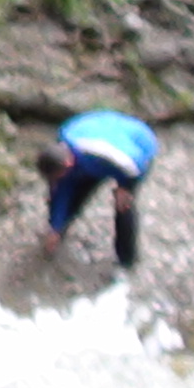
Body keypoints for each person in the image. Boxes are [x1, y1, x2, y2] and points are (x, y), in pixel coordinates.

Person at [36, 108, 158, 271]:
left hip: (135, 148)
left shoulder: (105, 154)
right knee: (69, 192)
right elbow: (61, 192)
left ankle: (126, 261)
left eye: (59, 175)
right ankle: (58, 233)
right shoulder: (62, 143)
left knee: (123, 206)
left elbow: (137, 164)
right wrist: (55, 226)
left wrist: (126, 187)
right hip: (98, 134)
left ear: (68, 164)